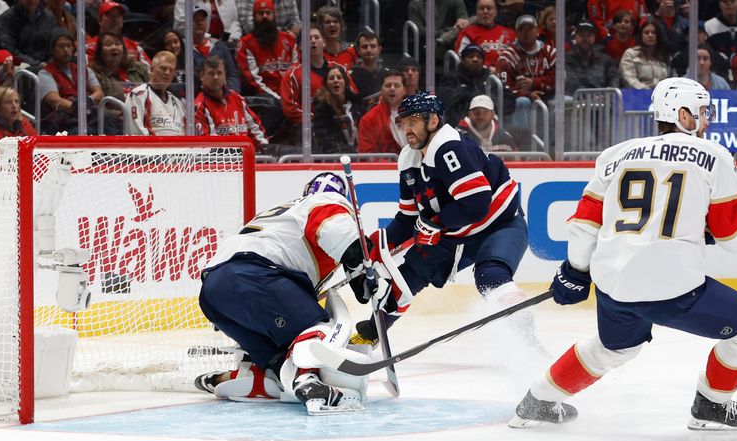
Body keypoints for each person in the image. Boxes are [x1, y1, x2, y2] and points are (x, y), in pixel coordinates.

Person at [509, 77, 737, 431]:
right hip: (675, 286)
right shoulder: (715, 157)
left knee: (614, 348)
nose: (706, 120)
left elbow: (585, 223)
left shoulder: (615, 154)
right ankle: (712, 405)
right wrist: (709, 227)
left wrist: (574, 271)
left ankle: (536, 401)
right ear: (683, 115)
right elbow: (734, 239)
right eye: (702, 112)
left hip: (614, 285)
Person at [194, 172, 401, 414]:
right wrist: (373, 276)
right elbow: (338, 233)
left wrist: (361, 276)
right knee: (320, 327)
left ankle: (257, 378)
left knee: (281, 353)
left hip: (213, 294)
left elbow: (349, 264)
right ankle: (307, 381)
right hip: (253, 277)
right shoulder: (327, 202)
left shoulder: (287, 212)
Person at [353, 92, 532, 346]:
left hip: (498, 225)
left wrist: (435, 222)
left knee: (490, 275)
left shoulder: (450, 148)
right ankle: (370, 334)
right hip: (452, 232)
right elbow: (408, 217)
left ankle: (528, 342)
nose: (408, 129)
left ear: (433, 121)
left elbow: (477, 203)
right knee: (406, 277)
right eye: (404, 123)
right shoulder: (408, 159)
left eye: (413, 121)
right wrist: (378, 243)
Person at [195, 56, 270, 151]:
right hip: (220, 161)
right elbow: (208, 144)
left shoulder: (237, 98)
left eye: (219, 73)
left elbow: (256, 130)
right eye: (211, 73)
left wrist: (264, 147)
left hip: (246, 158)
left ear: (225, 75)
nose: (216, 77)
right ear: (202, 76)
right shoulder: (200, 106)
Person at [38, 28, 104, 135]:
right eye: (61, 46)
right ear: (52, 50)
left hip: (89, 115)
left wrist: (89, 100)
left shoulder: (84, 69)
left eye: (69, 46)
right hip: (62, 123)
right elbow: (54, 101)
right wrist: (76, 106)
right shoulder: (45, 73)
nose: (66, 50)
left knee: (113, 126)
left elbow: (99, 94)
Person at [235, 0, 298, 99]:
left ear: (274, 15)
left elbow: (297, 72)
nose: (265, 16)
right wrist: (279, 99)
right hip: (266, 99)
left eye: (268, 13)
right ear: (254, 17)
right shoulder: (246, 44)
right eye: (261, 13)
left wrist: (291, 96)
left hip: (291, 94)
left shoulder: (289, 40)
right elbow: (253, 81)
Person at [125, 51, 186, 136]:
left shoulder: (177, 103)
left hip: (177, 148)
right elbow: (136, 133)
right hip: (151, 148)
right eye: (163, 68)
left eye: (171, 70)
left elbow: (184, 134)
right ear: (152, 69)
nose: (167, 73)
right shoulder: (138, 95)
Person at [86, 1, 152, 69]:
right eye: (109, 15)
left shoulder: (134, 46)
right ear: (100, 20)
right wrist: (122, 61)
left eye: (118, 16)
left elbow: (151, 71)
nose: (114, 19)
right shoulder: (89, 46)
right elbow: (88, 72)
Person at [313, 65, 364, 154]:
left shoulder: (357, 103)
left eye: (339, 77)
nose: (335, 80)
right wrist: (353, 152)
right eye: (331, 78)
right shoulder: (322, 109)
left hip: (362, 155)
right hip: (336, 158)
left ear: (345, 82)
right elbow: (325, 141)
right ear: (326, 84)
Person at [357, 69, 407, 155]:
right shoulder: (369, 119)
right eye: (388, 85)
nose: (392, 88)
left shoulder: (417, 115)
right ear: (381, 89)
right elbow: (367, 155)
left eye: (397, 85)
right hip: (386, 167)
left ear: (405, 90)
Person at [455, 0, 516, 69]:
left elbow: (518, 58)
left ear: (496, 12)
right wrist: (485, 69)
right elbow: (461, 59)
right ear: (476, 13)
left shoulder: (510, 33)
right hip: (478, 75)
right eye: (481, 8)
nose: (485, 11)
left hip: (506, 74)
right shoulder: (467, 33)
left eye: (489, 8)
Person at [0, 0, 56, 68]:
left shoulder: (49, 17)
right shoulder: (7, 18)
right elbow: (8, 48)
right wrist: (37, 64)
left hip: (48, 66)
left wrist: (50, 63)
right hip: (20, 67)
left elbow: (53, 44)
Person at [566, 21, 620, 94]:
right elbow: (571, 83)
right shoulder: (567, 59)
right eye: (581, 35)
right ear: (575, 37)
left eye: (589, 35)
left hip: (603, 100)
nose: (585, 39)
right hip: (575, 100)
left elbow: (615, 78)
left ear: (595, 37)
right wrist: (591, 97)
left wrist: (608, 93)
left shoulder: (605, 59)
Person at [705, 0, 737, 82]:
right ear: (719, 5)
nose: (729, 4)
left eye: (732, 1)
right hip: (717, 75)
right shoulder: (708, 26)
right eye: (725, 1)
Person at [619, 18, 671, 89]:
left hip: (661, 96)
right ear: (641, 35)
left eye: (653, 33)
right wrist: (645, 91)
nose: (650, 35)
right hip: (637, 95)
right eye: (646, 32)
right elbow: (629, 78)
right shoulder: (630, 54)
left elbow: (670, 80)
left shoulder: (665, 56)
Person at [174, 0, 242, 43]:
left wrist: (231, 38)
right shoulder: (184, 1)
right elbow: (181, 26)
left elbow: (234, 22)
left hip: (225, 42)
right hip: (195, 43)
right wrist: (208, 38)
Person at [316, 5, 357, 71]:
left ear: (341, 25)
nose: (332, 24)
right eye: (328, 22)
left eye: (335, 21)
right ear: (321, 27)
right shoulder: (316, 52)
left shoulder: (350, 51)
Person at [350, 30, 387, 102]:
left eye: (373, 46)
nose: (369, 50)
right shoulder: (351, 76)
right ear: (358, 50)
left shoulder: (387, 76)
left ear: (379, 49)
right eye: (365, 47)